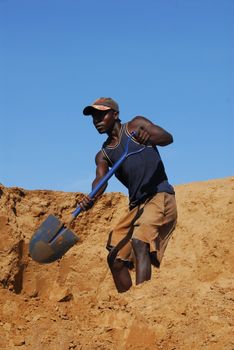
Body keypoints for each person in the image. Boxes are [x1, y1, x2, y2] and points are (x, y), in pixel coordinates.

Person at [79, 97, 177, 293]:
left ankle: (143, 301)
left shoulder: (136, 125)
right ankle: (127, 305)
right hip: (137, 207)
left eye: (101, 114)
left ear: (115, 115)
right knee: (114, 258)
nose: (96, 120)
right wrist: (91, 196)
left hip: (159, 196)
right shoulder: (104, 154)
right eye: (93, 117)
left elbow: (168, 138)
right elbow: (100, 179)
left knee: (140, 241)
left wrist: (148, 137)